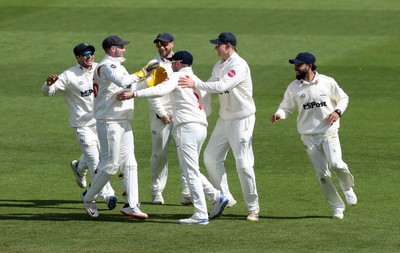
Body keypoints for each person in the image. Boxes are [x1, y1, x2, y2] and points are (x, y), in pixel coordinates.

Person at [116, 51, 229, 225]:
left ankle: (200, 214)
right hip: (200, 126)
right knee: (190, 167)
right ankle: (217, 197)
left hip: (187, 128)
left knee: (190, 171)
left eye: (173, 62)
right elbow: (206, 105)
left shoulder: (177, 76)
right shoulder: (195, 80)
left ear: (179, 63)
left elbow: (160, 89)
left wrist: (134, 94)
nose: (170, 65)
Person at [178, 32, 260, 221]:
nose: (216, 48)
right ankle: (225, 197)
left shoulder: (239, 65)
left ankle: (253, 208)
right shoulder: (219, 65)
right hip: (225, 119)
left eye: (218, 45)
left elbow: (222, 86)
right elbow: (208, 88)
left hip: (242, 119)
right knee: (210, 157)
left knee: (243, 164)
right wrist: (199, 111)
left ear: (229, 45)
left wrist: (196, 83)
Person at [271, 52, 357, 219]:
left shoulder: (327, 82)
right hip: (308, 136)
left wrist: (337, 112)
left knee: (337, 164)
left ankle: (347, 187)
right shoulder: (293, 87)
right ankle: (336, 208)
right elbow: (286, 107)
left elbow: (343, 98)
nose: (295, 68)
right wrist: (279, 114)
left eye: (299, 65)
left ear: (309, 66)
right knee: (322, 175)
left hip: (328, 132)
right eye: (295, 65)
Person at [80, 35, 155, 219]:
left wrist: (150, 78)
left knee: (130, 162)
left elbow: (130, 84)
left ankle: (132, 205)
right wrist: (145, 70)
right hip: (109, 121)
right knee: (111, 166)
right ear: (113, 48)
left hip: (123, 120)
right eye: (121, 46)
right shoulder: (107, 66)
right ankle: (88, 197)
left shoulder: (117, 65)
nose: (124, 49)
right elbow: (124, 82)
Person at [41, 42, 118, 210]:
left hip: (101, 121)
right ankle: (107, 195)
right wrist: (48, 84)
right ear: (77, 57)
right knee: (96, 161)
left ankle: (78, 166)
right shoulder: (69, 75)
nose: (89, 56)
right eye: (85, 54)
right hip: (82, 125)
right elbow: (48, 92)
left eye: (91, 52)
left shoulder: (100, 68)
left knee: (103, 156)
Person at [146, 32, 191, 205]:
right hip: (160, 116)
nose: (161, 47)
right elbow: (151, 93)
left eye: (164, 44)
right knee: (159, 155)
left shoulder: (180, 61)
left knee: (185, 154)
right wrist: (162, 113)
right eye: (158, 45)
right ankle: (156, 192)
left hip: (180, 115)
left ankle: (187, 193)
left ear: (172, 44)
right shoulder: (153, 64)